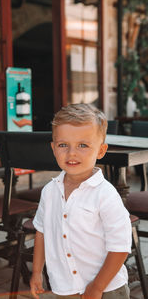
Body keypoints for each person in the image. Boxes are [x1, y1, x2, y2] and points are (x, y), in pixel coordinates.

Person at [30, 103, 132, 299]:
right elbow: (41, 231)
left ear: (101, 151)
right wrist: (36, 272)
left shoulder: (106, 195)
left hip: (107, 289)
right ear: (53, 148)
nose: (72, 153)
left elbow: (119, 247)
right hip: (65, 287)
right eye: (63, 145)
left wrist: (97, 287)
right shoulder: (49, 192)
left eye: (83, 145)